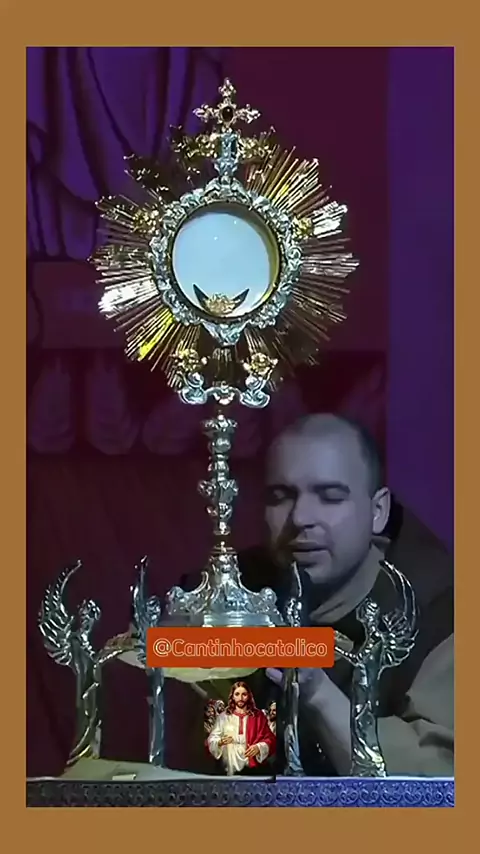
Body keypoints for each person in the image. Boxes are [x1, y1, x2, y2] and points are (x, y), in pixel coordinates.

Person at [248, 413, 453, 777]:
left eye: (330, 497)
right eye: (281, 497)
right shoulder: (240, 593)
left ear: (378, 512)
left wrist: (317, 693)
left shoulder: (443, 610)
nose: (300, 518)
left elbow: (441, 774)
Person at [206, 681, 276, 776]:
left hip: (251, 766)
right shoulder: (224, 717)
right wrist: (220, 742)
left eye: (244, 694)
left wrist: (259, 747)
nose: (240, 698)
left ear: (249, 696)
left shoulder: (258, 716)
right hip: (230, 763)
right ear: (232, 696)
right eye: (237, 694)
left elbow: (270, 739)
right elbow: (212, 739)